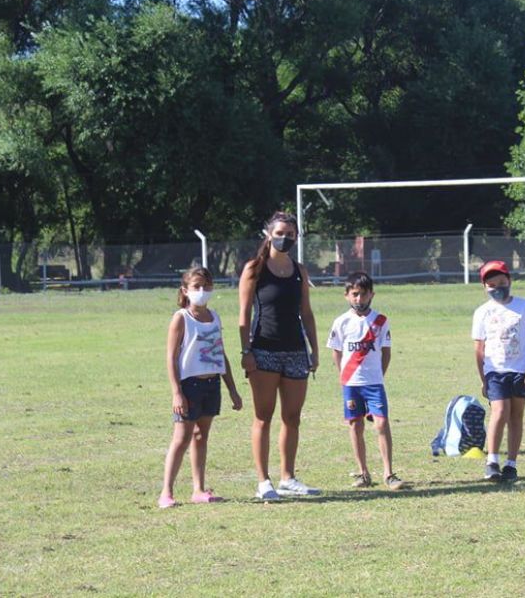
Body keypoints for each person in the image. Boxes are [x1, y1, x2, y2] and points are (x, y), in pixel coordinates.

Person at [239, 211, 321, 500]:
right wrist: (246, 350)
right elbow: (244, 314)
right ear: (268, 234)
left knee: (292, 417)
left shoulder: (300, 271)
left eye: (290, 234)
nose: (284, 238)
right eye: (280, 233)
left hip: (296, 351)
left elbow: (306, 313)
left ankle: (288, 477)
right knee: (263, 416)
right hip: (264, 351)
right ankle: (264, 481)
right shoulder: (255, 269)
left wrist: (314, 349)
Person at [159, 267, 242, 508]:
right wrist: (177, 392)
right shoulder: (181, 318)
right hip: (190, 385)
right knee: (181, 438)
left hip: (211, 383)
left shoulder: (214, 317)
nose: (202, 291)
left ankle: (198, 489)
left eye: (206, 286)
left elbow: (220, 353)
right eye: (197, 287)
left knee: (200, 436)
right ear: (185, 290)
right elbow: (172, 357)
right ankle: (166, 491)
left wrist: (232, 389)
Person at [327, 272, 403, 490]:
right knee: (355, 425)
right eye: (354, 295)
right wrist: (343, 375)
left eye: (363, 295)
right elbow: (337, 352)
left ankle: (389, 473)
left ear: (372, 295)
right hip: (351, 383)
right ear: (346, 296)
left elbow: (386, 353)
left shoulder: (380, 321)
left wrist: (379, 375)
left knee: (381, 423)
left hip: (374, 382)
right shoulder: (341, 322)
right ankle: (363, 473)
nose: (359, 299)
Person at [471, 260, 525, 482]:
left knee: (516, 415)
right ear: (484, 287)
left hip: (520, 370)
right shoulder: (482, 312)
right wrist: (484, 379)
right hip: (495, 370)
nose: (497, 288)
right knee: (499, 411)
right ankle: (492, 461)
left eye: (501, 282)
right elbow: (479, 349)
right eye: (491, 285)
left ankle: (511, 464)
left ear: (510, 281)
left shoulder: (524, 306)